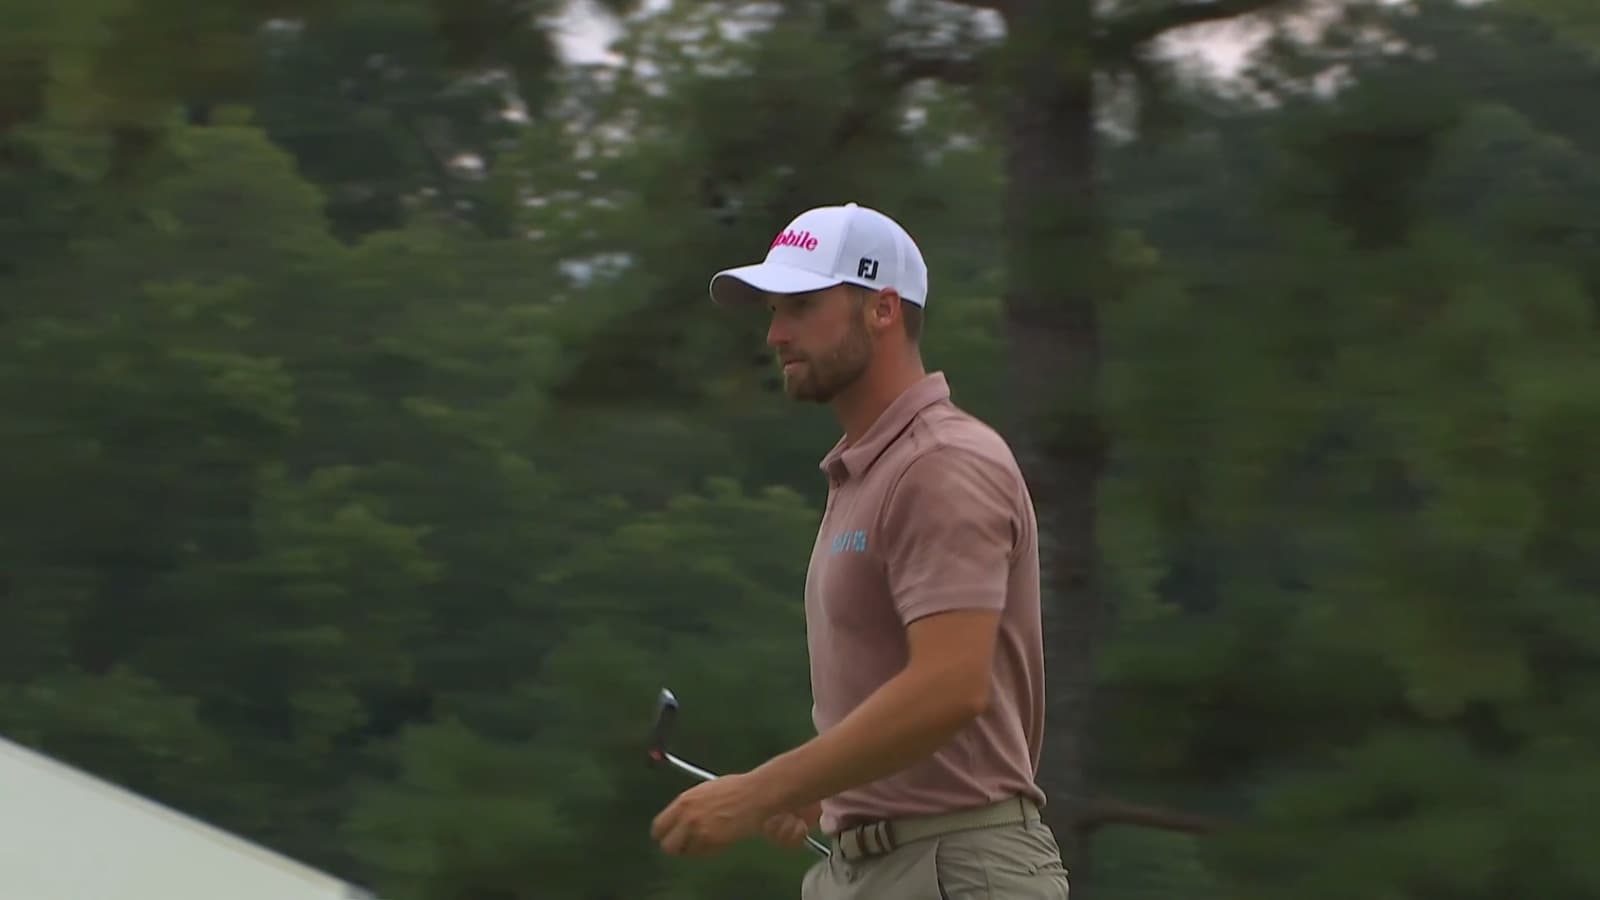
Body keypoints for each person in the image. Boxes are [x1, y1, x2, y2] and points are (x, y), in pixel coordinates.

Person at [650, 202, 1067, 899]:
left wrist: (761, 790)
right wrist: (823, 788)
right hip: (875, 867)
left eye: (802, 306)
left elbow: (949, 687)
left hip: (954, 870)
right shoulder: (870, 469)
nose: (776, 333)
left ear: (883, 310)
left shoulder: (941, 464)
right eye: (774, 310)